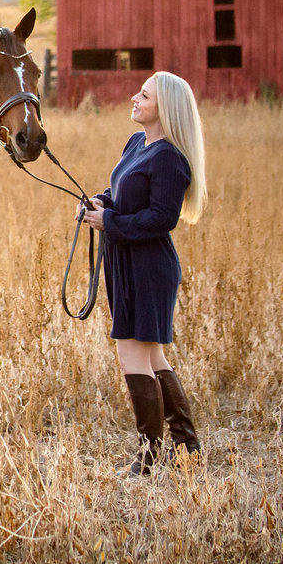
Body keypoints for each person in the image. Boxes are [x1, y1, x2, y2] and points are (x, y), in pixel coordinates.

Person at [79, 71, 207, 476]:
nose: (134, 98)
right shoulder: (137, 143)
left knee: (132, 351)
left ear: (163, 108)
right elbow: (122, 194)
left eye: (144, 95)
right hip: (124, 261)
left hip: (149, 267)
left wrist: (110, 224)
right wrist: (99, 203)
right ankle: (186, 447)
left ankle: (149, 457)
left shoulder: (170, 157)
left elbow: (160, 219)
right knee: (152, 354)